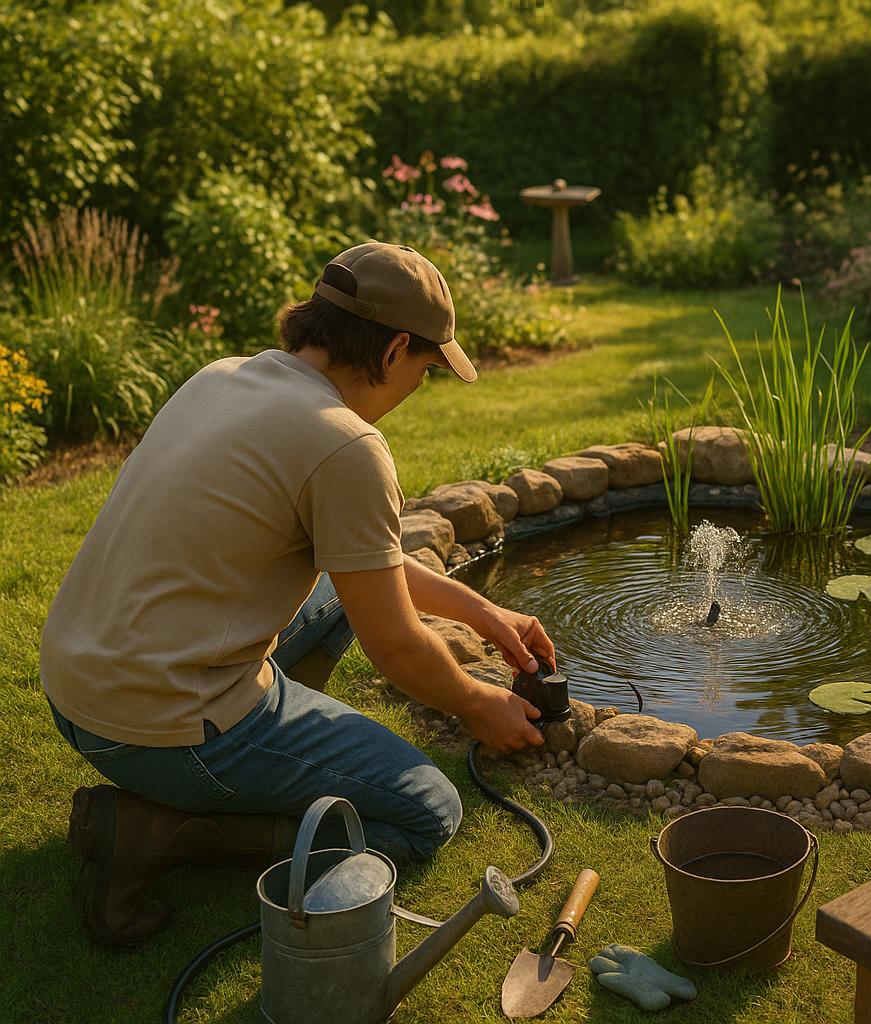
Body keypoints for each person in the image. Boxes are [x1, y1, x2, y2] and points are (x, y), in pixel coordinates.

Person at [40, 241, 554, 947]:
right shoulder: (344, 445)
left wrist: (483, 610)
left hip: (82, 689)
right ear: (396, 347)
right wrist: (475, 702)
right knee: (428, 810)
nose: (418, 387)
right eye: (427, 371)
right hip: (163, 725)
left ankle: (264, 758)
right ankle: (160, 832)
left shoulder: (223, 376)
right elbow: (398, 648)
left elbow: (365, 568)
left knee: (338, 594)